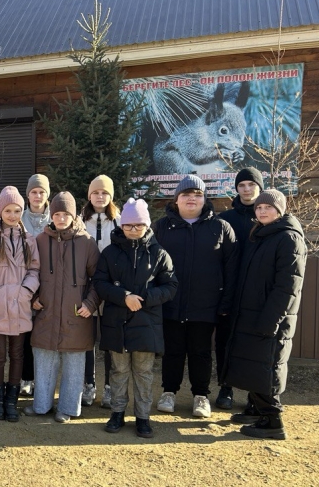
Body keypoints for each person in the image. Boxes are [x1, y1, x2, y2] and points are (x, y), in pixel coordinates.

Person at [222, 190, 306, 440]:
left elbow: (287, 287)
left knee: (267, 367)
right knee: (254, 366)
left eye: (268, 208)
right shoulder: (261, 235)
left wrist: (272, 319)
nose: (262, 212)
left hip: (271, 318)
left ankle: (272, 421)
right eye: (259, 208)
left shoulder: (288, 238)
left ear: (279, 210)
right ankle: (256, 409)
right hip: (252, 314)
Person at [152, 175, 236, 418]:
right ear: (176, 199)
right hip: (170, 303)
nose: (192, 198)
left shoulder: (220, 227)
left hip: (206, 305)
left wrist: (226, 301)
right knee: (173, 351)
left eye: (197, 194)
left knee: (200, 352)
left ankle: (201, 396)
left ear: (204, 199)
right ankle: (169, 392)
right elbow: (151, 266)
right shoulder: (161, 227)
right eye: (186, 194)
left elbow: (231, 268)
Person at [94, 198, 178, 438]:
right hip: (117, 321)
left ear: (146, 225)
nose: (133, 229)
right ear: (121, 225)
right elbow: (99, 283)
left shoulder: (159, 253)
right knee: (118, 372)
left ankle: (143, 417)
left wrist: (142, 297)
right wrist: (123, 296)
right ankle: (117, 413)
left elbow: (170, 286)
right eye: (128, 225)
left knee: (143, 373)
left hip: (146, 323)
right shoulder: (110, 253)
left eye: (138, 225)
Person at [23, 192, 99, 422]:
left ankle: (67, 408)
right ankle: (41, 406)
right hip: (46, 313)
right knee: (44, 361)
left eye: (66, 214)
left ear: (73, 215)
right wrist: (33, 296)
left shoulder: (87, 242)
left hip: (76, 315)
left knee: (74, 366)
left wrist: (90, 303)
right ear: (51, 215)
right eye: (57, 214)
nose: (61, 218)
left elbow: (99, 279)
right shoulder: (40, 241)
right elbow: (30, 271)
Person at [0, 186, 40, 423]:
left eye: (17, 210)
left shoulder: (29, 239)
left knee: (18, 355)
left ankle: (12, 401)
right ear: (0, 211)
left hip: (21, 304)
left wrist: (26, 291)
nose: (12, 215)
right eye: (8, 211)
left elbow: (35, 269)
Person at [214, 167, 263, 410]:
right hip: (229, 290)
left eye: (251, 185)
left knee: (254, 343)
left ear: (259, 188)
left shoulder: (266, 218)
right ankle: (226, 387)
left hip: (256, 293)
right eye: (242, 185)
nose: (246, 190)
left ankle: (255, 394)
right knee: (225, 340)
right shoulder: (226, 219)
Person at [80, 174, 121, 409]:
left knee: (108, 339)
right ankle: (89, 384)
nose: (100, 196)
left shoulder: (119, 221)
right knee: (87, 340)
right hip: (86, 290)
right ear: (89, 195)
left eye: (105, 193)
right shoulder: (79, 220)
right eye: (96, 192)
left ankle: (108, 387)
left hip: (111, 289)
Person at [19, 173, 51, 398]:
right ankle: (26, 378)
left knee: (45, 336)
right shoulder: (19, 218)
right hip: (23, 282)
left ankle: (44, 381)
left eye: (41, 192)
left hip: (49, 285)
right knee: (26, 335)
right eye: (33, 192)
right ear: (28, 194)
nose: (37, 196)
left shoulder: (57, 217)